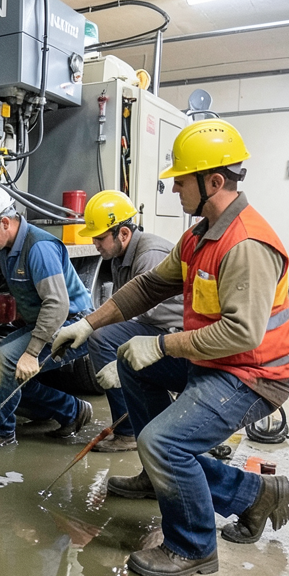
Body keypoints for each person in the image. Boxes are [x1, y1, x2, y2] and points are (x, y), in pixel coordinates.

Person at [52, 119, 289, 576]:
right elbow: (147, 288)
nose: (175, 190)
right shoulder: (198, 235)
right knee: (131, 366)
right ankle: (240, 492)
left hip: (253, 375)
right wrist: (87, 323)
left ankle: (192, 546)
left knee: (163, 441)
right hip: (216, 362)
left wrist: (163, 344)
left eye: (181, 182)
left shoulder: (245, 243)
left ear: (214, 182)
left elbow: (243, 333)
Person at [0, 185, 94, 449]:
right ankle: (72, 410)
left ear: (5, 223)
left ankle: (1, 434)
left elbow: (57, 305)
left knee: (7, 360)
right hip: (50, 321)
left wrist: (31, 352)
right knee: (5, 369)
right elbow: (24, 293)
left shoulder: (39, 248)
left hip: (74, 326)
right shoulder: (6, 249)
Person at [75, 190, 183, 452]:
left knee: (103, 340)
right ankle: (133, 423)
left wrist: (98, 330)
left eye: (99, 238)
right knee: (103, 335)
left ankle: (128, 432)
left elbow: (141, 311)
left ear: (123, 234)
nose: (95, 243)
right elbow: (120, 305)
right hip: (153, 324)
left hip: (173, 331)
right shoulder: (119, 256)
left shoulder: (149, 255)